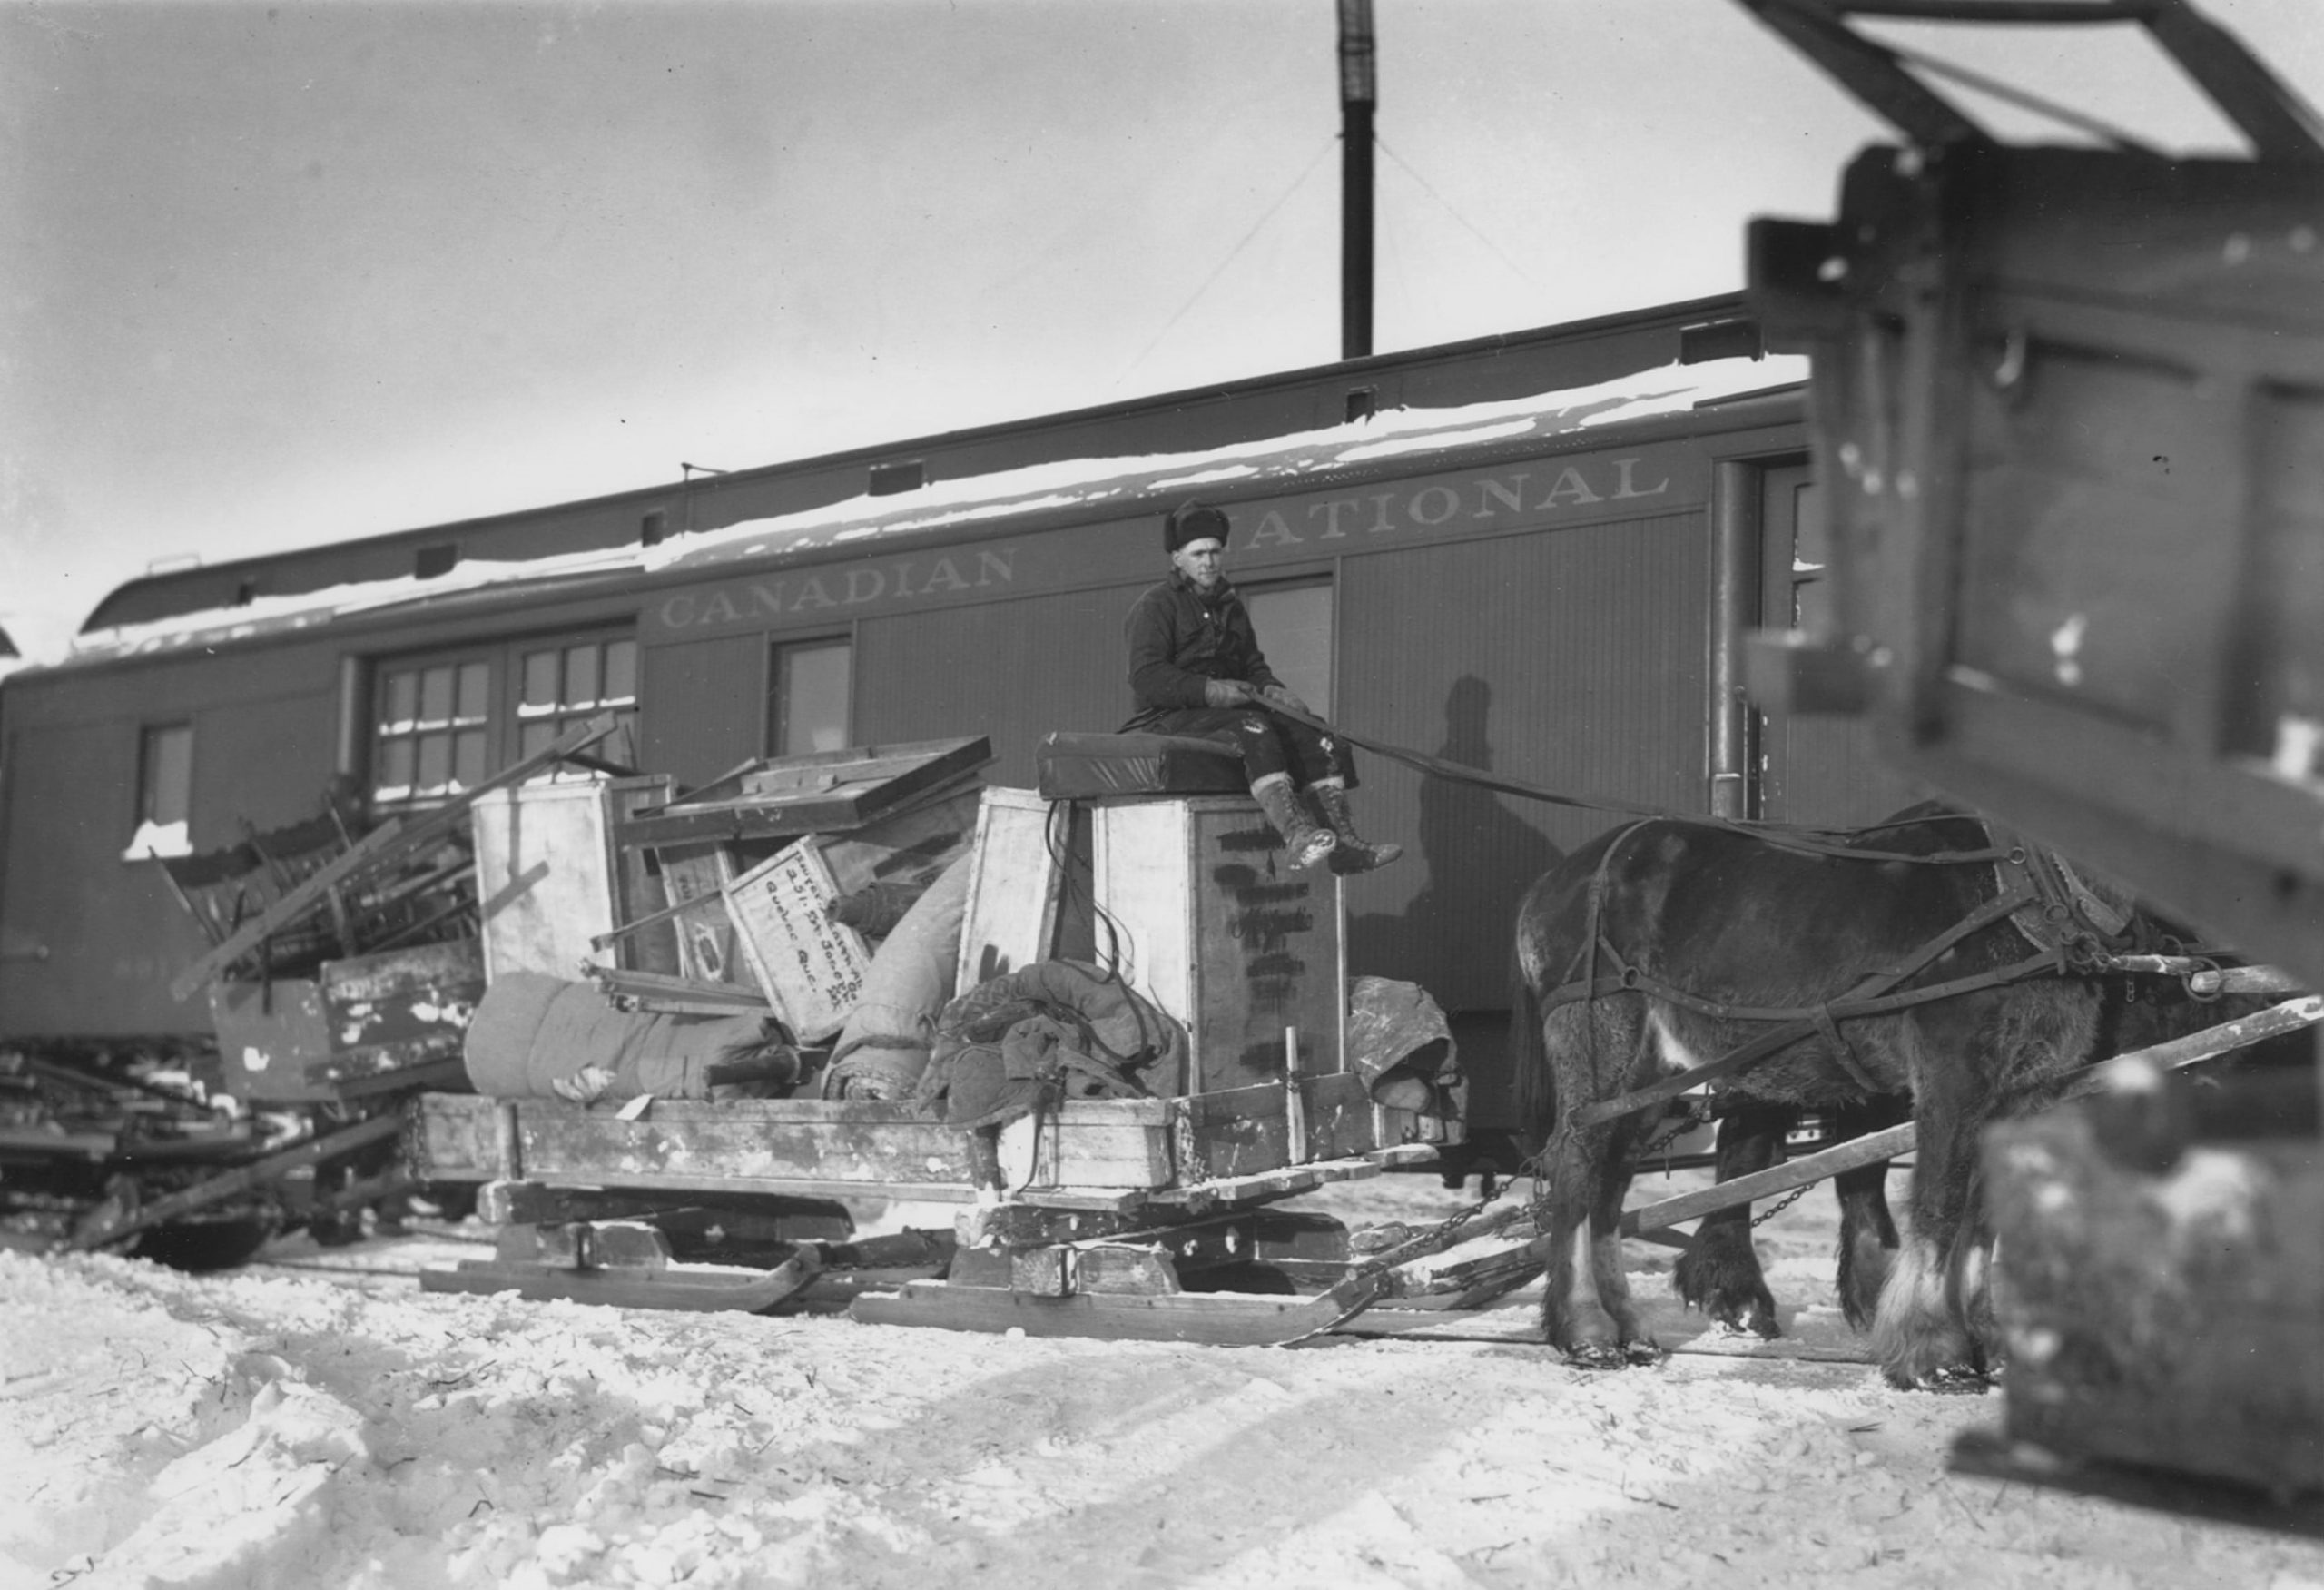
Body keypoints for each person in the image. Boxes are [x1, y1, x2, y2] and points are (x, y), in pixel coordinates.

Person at [1120, 500, 1402, 873]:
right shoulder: (1155, 606)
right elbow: (1147, 677)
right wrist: (1210, 690)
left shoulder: (1230, 608)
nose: (1208, 561)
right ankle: (1297, 836)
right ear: (1177, 558)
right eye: (1198, 553)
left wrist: (1272, 689)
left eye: (1215, 552)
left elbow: (1252, 666)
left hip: (1221, 714)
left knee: (1317, 734)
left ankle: (1345, 848)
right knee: (1255, 728)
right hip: (1170, 716)